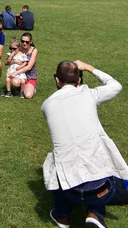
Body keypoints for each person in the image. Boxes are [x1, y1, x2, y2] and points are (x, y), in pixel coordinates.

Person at [42, 60, 128, 228]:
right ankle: (95, 213)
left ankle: (63, 216)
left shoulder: (46, 105)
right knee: (104, 169)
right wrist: (89, 68)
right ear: (79, 80)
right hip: (102, 190)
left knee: (57, 159)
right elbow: (116, 86)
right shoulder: (89, 94)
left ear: (57, 80)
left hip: (70, 191)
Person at [13, 32, 38, 99]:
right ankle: (21, 88)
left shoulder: (34, 50)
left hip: (30, 76)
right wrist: (15, 61)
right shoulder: (18, 48)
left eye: (27, 42)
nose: (24, 43)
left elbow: (29, 66)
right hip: (20, 76)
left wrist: (16, 72)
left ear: (30, 42)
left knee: (28, 96)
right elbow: (8, 61)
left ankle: (30, 89)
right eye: (23, 41)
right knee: (15, 83)